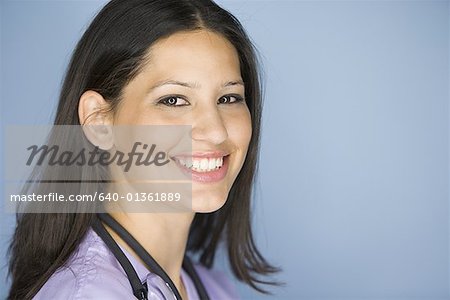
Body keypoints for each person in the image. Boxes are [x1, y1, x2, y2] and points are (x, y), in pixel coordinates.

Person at [7, 0, 279, 299]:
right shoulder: (86, 294)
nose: (215, 131)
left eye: (228, 98)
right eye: (174, 100)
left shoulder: (215, 289)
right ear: (99, 121)